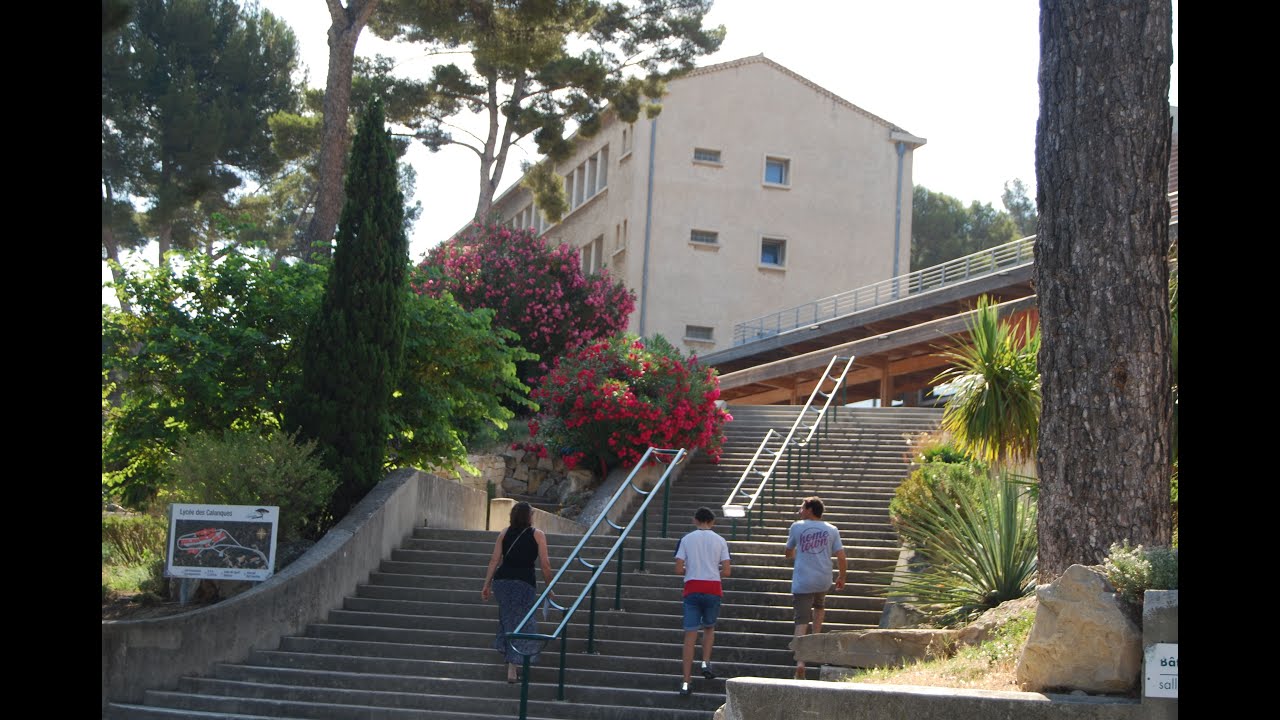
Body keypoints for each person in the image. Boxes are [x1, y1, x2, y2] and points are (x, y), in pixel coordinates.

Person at [481, 501, 556, 683]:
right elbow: (545, 565)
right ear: (529, 516)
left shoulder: (504, 533)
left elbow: (494, 560)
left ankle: (512, 664)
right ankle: (516, 664)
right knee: (524, 622)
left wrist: (487, 584)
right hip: (524, 583)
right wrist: (549, 586)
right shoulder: (538, 535)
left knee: (507, 619)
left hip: (503, 582)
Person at [784, 496, 847, 679]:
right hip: (823, 578)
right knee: (819, 607)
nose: (799, 510)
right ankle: (816, 640)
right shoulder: (832, 529)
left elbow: (788, 552)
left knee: (801, 619)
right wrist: (842, 576)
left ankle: (801, 661)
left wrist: (795, 553)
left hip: (803, 580)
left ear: (810, 509)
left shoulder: (797, 527)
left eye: (802, 507)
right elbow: (841, 556)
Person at [673, 506, 732, 697]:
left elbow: (678, 569)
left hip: (692, 588)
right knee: (709, 628)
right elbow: (727, 570)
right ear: (712, 522)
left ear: (695, 520)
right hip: (713, 588)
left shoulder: (686, 539)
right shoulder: (721, 540)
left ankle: (685, 682)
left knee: (690, 635)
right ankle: (705, 662)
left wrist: (690, 570)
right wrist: (714, 572)